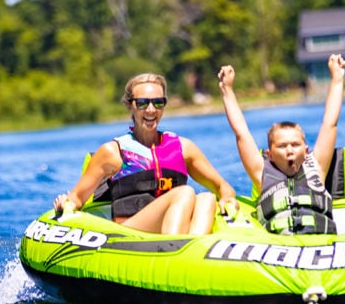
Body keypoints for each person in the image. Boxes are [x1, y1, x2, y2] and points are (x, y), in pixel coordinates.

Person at [53, 72, 238, 235]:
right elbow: (77, 197)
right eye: (142, 103)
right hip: (129, 232)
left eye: (158, 102)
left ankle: (192, 259)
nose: (151, 110)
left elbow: (223, 187)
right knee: (185, 193)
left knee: (206, 198)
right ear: (130, 106)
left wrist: (227, 199)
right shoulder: (113, 152)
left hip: (174, 229)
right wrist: (66, 203)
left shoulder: (183, 148)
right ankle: (173, 253)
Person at [217, 54, 345, 235]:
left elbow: (330, 123)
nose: (290, 151)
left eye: (295, 144)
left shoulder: (316, 167)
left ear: (306, 150)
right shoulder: (261, 172)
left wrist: (337, 78)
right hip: (279, 249)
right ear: (269, 154)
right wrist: (227, 89)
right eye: (282, 146)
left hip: (320, 243)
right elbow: (241, 134)